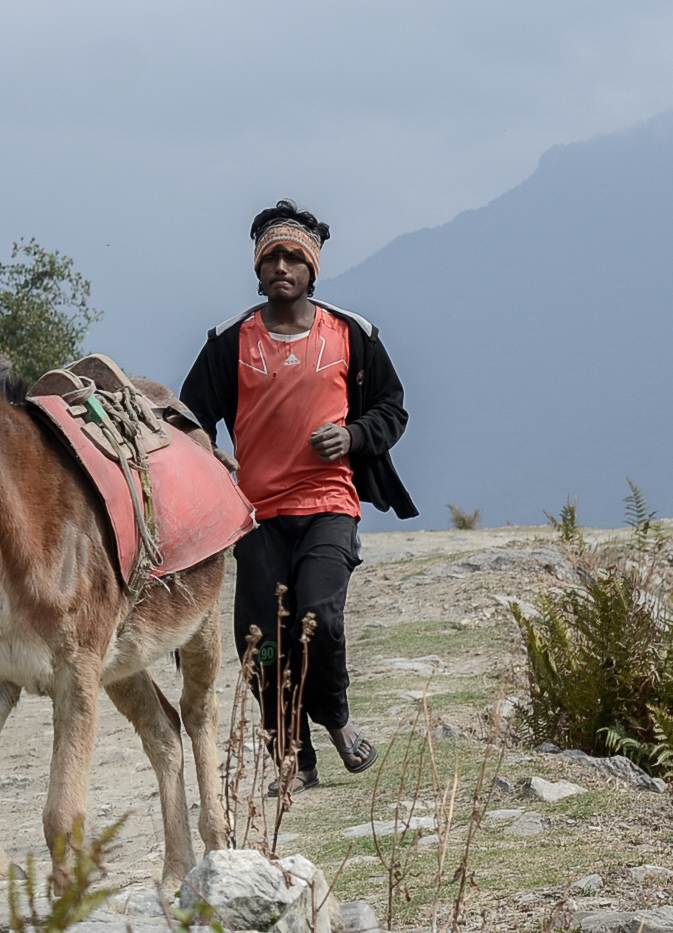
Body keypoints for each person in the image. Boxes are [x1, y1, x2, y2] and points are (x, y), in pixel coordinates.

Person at [181, 199, 417, 795]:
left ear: (313, 270)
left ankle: (335, 717)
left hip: (329, 505)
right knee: (259, 645)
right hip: (256, 516)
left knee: (319, 617)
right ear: (257, 269)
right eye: (271, 257)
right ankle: (293, 760)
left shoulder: (352, 335)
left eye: (294, 257)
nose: (281, 266)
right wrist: (208, 458)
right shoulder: (228, 342)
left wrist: (355, 435)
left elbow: (393, 408)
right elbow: (188, 418)